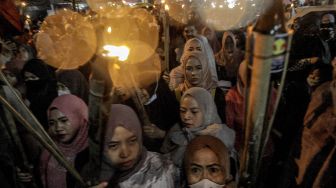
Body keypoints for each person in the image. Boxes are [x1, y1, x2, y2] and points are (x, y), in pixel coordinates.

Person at [95, 104, 179, 188]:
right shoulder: (93, 178)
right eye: (113, 146)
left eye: (132, 141)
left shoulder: (164, 169)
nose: (125, 153)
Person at [17, 94, 89, 188]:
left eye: (63, 120)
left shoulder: (91, 155)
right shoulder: (50, 150)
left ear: (80, 119)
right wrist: (28, 176)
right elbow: (39, 176)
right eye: (52, 123)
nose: (58, 128)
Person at [161, 87, 236, 168]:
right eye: (182, 111)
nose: (186, 116)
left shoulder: (221, 135)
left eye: (194, 112)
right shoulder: (176, 131)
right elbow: (162, 158)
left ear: (207, 111)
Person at [21, 58, 58, 129]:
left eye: (33, 77)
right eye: (26, 78)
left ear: (42, 76)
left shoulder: (56, 92)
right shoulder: (26, 94)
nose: (29, 81)